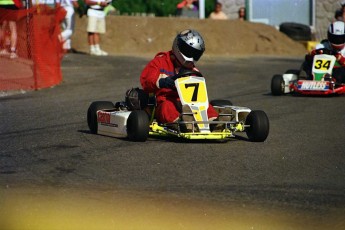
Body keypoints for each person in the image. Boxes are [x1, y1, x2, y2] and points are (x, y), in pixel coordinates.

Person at [139, 29, 219, 131]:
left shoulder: (193, 70)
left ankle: (214, 123)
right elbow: (146, 80)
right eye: (189, 51)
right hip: (163, 101)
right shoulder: (159, 62)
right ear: (178, 46)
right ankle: (182, 123)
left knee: (205, 106)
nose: (192, 57)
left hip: (186, 103)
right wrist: (162, 82)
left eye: (195, 54)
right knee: (167, 107)